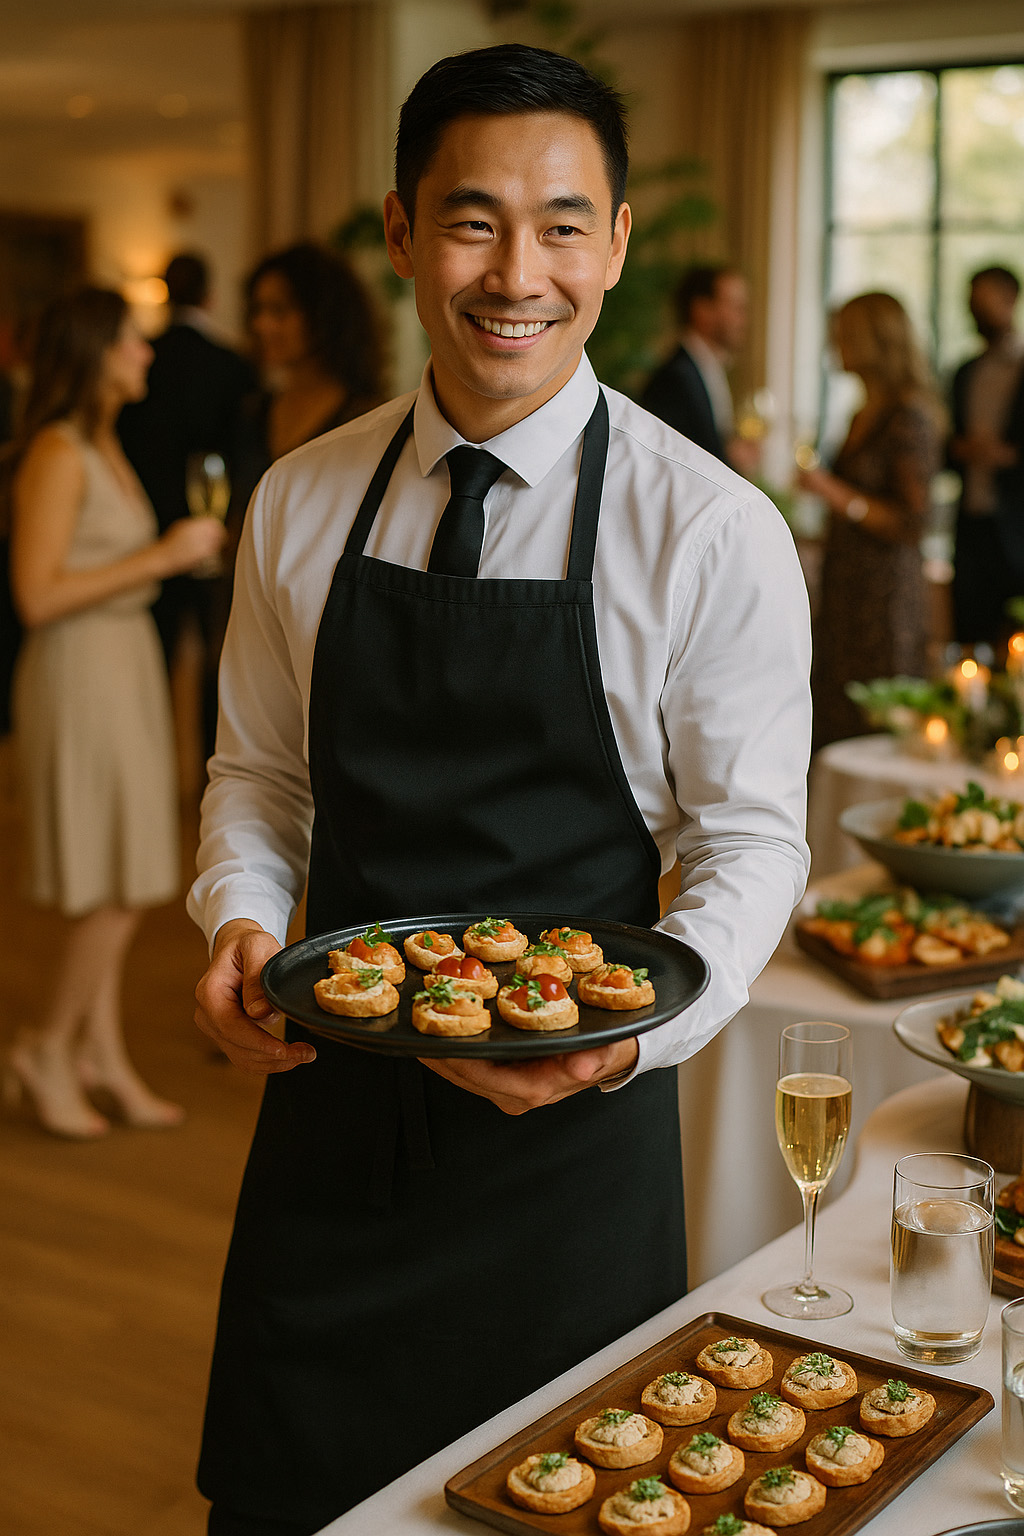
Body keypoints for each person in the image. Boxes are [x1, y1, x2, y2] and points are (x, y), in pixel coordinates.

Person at [189, 44, 811, 1536]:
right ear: (402, 232)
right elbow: (261, 776)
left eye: (559, 223)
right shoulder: (301, 496)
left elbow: (745, 844)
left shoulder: (708, 531)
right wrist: (238, 919)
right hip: (328, 1145)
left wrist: (635, 1039)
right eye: (471, 221)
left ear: (614, 245)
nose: (515, 270)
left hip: (568, 1158)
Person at [5, 286, 224, 1138]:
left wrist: (158, 561)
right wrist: (161, 557)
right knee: (113, 883)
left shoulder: (101, 444)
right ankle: (46, 1044)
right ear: (95, 351)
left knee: (127, 869)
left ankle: (101, 1057)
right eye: (133, 340)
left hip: (119, 661)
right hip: (80, 670)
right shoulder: (58, 452)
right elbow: (35, 595)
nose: (146, 353)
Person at [117, 253, 256, 762]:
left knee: (153, 652)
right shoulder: (232, 364)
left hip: (144, 529)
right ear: (209, 296)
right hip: (210, 529)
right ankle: (208, 768)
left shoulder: (142, 356)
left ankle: (146, 758)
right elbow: (242, 455)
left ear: (167, 292)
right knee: (218, 655)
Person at [796, 291, 943, 749]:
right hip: (847, 589)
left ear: (871, 340)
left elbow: (913, 522)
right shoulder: (862, 412)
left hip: (885, 600)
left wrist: (835, 494)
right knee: (833, 717)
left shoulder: (909, 415)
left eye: (843, 334)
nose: (834, 344)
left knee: (876, 726)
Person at [229, 241, 384, 521]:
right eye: (258, 310)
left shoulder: (365, 418)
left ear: (324, 316)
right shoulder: (254, 410)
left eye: (278, 310)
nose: (261, 324)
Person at [948, 265, 1024, 648]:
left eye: (983, 300)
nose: (974, 309)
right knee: (969, 633)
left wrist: (1006, 456)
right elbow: (947, 448)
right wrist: (962, 450)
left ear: (1010, 300)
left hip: (1017, 529)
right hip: (972, 527)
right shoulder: (964, 372)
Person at [640, 264, 759, 474]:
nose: (744, 319)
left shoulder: (704, 369)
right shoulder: (676, 379)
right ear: (702, 310)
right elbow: (676, 463)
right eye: (735, 307)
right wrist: (728, 459)